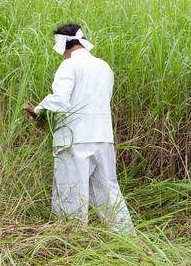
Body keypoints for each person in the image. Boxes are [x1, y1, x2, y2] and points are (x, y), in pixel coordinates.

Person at [27, 24, 134, 232]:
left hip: (75, 140)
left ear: (64, 45)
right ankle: (126, 239)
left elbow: (60, 100)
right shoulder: (104, 66)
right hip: (102, 137)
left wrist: (37, 111)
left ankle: (71, 241)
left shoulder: (68, 66)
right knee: (108, 192)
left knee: (71, 193)